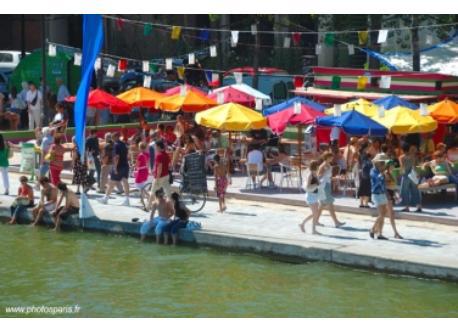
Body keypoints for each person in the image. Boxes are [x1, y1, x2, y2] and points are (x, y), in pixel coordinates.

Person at [98, 132, 131, 206]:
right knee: (125, 182)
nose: (111, 139)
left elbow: (116, 157)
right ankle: (127, 199)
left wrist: (115, 168)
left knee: (112, 183)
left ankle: (105, 199)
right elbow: (127, 155)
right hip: (125, 165)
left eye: (112, 137)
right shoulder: (123, 144)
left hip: (118, 166)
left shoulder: (116, 145)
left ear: (116, 137)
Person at [317, 152, 345, 228]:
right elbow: (319, 176)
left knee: (322, 205)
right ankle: (336, 222)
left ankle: (316, 220)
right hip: (324, 186)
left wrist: (335, 178)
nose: (332, 158)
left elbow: (327, 177)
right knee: (330, 204)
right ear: (327, 157)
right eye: (331, 157)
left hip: (327, 185)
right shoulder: (323, 166)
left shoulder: (328, 165)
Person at [369, 154, 390, 240]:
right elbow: (377, 180)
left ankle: (379, 233)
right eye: (382, 163)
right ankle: (373, 229)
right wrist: (383, 174)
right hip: (376, 194)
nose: (384, 165)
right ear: (377, 163)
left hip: (382, 193)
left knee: (383, 213)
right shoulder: (373, 171)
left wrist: (386, 175)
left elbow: (386, 181)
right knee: (381, 214)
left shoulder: (382, 171)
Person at [299, 160, 322, 235]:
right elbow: (308, 186)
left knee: (315, 213)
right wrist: (316, 185)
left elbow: (318, 183)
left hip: (314, 195)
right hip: (310, 196)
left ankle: (304, 225)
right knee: (315, 213)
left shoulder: (315, 174)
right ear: (315, 167)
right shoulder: (310, 175)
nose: (319, 167)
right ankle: (312, 229)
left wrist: (318, 183)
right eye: (318, 166)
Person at [147, 140, 171, 209]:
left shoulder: (159, 155)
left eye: (156, 147)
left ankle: (148, 207)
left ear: (158, 147)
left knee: (152, 192)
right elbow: (169, 165)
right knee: (168, 193)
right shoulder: (166, 154)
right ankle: (172, 207)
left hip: (160, 176)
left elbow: (159, 168)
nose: (155, 148)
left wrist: (157, 178)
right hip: (166, 176)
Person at [399, 143, 422, 213]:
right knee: (415, 191)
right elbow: (414, 166)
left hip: (405, 175)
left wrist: (400, 173)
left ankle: (407, 207)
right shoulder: (413, 156)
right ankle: (418, 206)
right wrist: (417, 174)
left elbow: (402, 167)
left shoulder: (401, 157)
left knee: (404, 191)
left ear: (402, 150)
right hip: (413, 175)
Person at [385, 160, 403, 239]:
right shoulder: (386, 174)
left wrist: (395, 191)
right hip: (387, 194)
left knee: (383, 214)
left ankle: (373, 229)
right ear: (388, 166)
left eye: (393, 165)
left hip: (391, 193)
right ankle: (395, 232)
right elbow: (385, 186)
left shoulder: (391, 173)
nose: (393, 166)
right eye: (392, 165)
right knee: (391, 214)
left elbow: (393, 185)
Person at [135, 142, 150, 210]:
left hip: (141, 171)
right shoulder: (147, 154)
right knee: (142, 185)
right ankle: (142, 199)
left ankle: (148, 196)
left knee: (139, 186)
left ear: (140, 147)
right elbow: (148, 163)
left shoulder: (140, 155)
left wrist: (134, 167)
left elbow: (137, 165)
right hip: (145, 171)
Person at [357, 143, 372, 208]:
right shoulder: (365, 156)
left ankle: (362, 203)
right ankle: (365, 203)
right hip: (366, 174)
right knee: (366, 188)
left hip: (363, 174)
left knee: (362, 188)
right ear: (365, 148)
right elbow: (367, 165)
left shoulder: (361, 155)